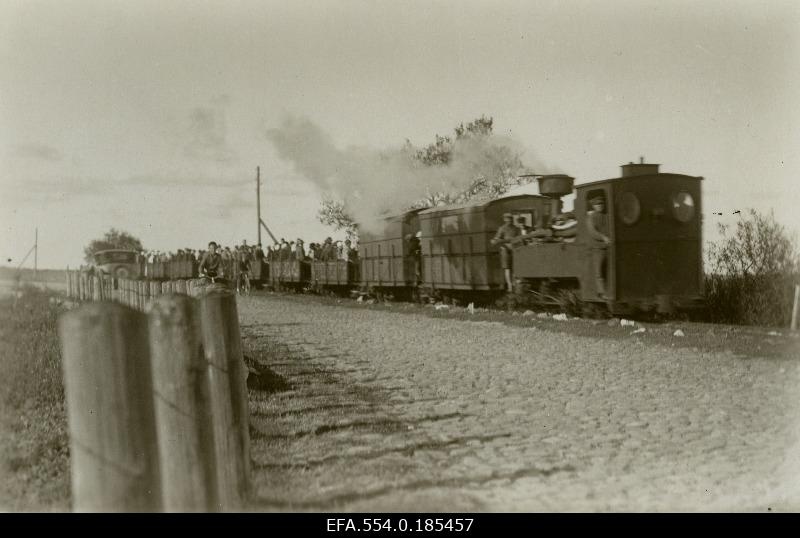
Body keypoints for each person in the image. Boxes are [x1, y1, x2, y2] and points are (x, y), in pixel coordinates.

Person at [586, 195, 611, 299]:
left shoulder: (607, 215)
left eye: (602, 204)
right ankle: (601, 292)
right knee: (599, 270)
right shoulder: (591, 217)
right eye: (598, 204)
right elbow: (592, 232)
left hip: (608, 247)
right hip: (598, 248)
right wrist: (603, 237)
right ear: (594, 206)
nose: (600, 206)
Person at [490, 213, 520, 292]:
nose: (509, 220)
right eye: (507, 218)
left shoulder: (516, 228)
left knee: (515, 268)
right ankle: (509, 285)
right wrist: (496, 241)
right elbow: (496, 239)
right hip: (505, 250)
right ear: (504, 219)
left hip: (515, 250)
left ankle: (514, 284)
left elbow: (520, 238)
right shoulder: (502, 228)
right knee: (507, 268)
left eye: (510, 218)